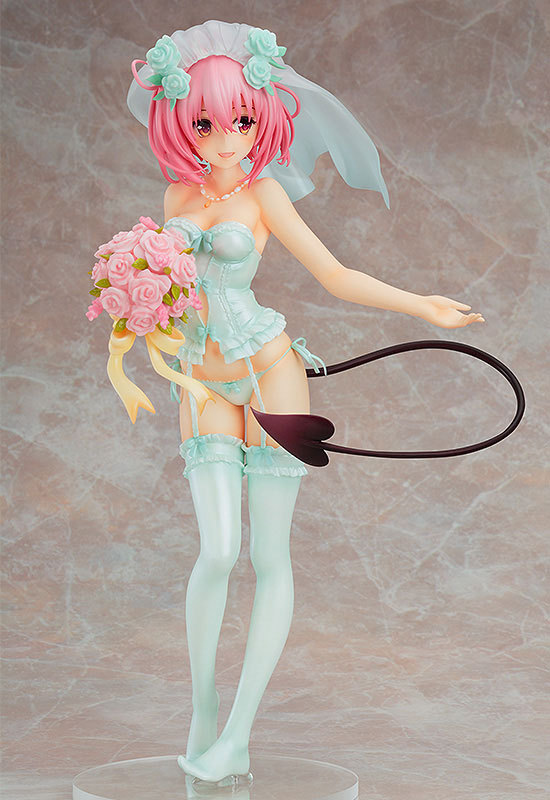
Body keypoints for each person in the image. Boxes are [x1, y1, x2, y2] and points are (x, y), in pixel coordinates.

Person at [127, 20, 484, 783]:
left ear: (261, 116)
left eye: (241, 121)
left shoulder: (261, 194)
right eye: (206, 124)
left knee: (268, 556)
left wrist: (421, 304)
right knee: (216, 551)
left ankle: (238, 735)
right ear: (179, 122)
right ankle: (202, 710)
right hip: (200, 378)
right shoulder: (177, 194)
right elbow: (168, 291)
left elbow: (334, 274)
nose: (227, 139)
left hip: (268, 370)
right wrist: (136, 305)